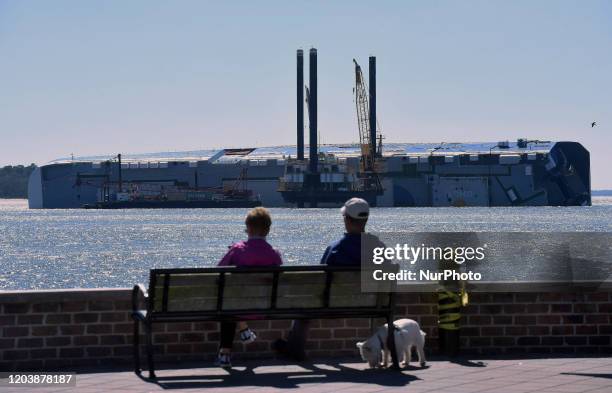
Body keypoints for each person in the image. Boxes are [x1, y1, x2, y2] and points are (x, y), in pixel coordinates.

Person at [274, 198, 371, 360]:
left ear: (346, 219)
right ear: (365, 220)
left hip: (333, 304)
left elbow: (319, 280)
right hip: (372, 303)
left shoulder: (336, 248)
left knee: (304, 305)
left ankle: (294, 349)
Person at [216, 207, 282, 368]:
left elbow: (218, 271)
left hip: (237, 307)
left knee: (229, 303)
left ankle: (225, 353)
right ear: (267, 230)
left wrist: (232, 252)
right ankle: (244, 329)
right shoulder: (274, 254)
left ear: (248, 229)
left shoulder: (238, 250)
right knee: (236, 301)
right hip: (264, 307)